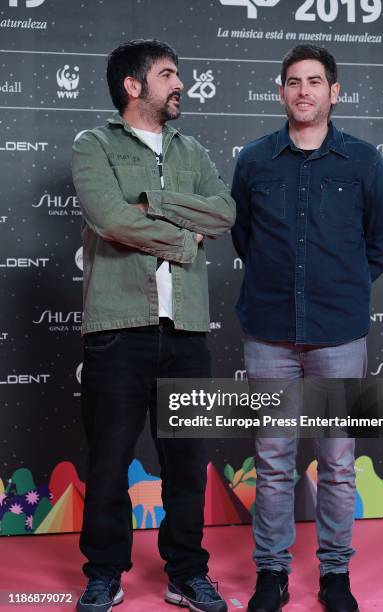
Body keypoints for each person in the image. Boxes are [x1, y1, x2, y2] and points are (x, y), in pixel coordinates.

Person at [72, 39, 235, 612]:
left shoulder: (192, 150)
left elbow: (224, 210)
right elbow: (109, 217)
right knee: (110, 462)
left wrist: (152, 203)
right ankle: (104, 574)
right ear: (133, 86)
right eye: (168, 75)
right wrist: (182, 236)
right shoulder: (94, 145)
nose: (179, 84)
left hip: (187, 331)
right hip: (118, 331)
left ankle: (187, 574)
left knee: (187, 464)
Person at [231, 44, 383, 612]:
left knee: (339, 463)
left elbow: (380, 245)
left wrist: (339, 287)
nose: (304, 90)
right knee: (274, 462)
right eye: (294, 81)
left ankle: (334, 575)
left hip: (337, 336)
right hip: (270, 335)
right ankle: (271, 574)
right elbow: (244, 239)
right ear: (281, 91)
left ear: (334, 91)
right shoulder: (254, 159)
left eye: (315, 81)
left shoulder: (363, 160)